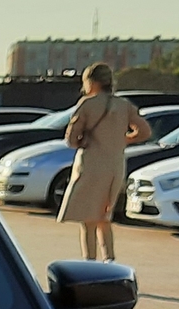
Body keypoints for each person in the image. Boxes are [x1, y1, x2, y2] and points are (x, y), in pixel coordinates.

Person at [58, 63, 152, 260]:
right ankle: (109, 260)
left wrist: (83, 140)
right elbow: (145, 132)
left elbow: (71, 138)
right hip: (115, 166)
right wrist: (124, 139)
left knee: (88, 220)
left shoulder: (87, 104)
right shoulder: (124, 105)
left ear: (91, 82)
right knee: (105, 217)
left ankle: (89, 263)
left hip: (91, 165)